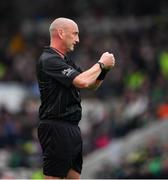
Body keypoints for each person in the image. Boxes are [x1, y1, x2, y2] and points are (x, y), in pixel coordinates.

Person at [36, 17, 115, 179]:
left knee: (73, 177)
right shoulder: (49, 60)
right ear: (60, 33)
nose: (78, 39)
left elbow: (91, 84)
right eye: (75, 34)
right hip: (56, 127)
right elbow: (82, 81)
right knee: (53, 177)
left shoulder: (66, 61)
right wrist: (100, 63)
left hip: (71, 128)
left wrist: (104, 71)